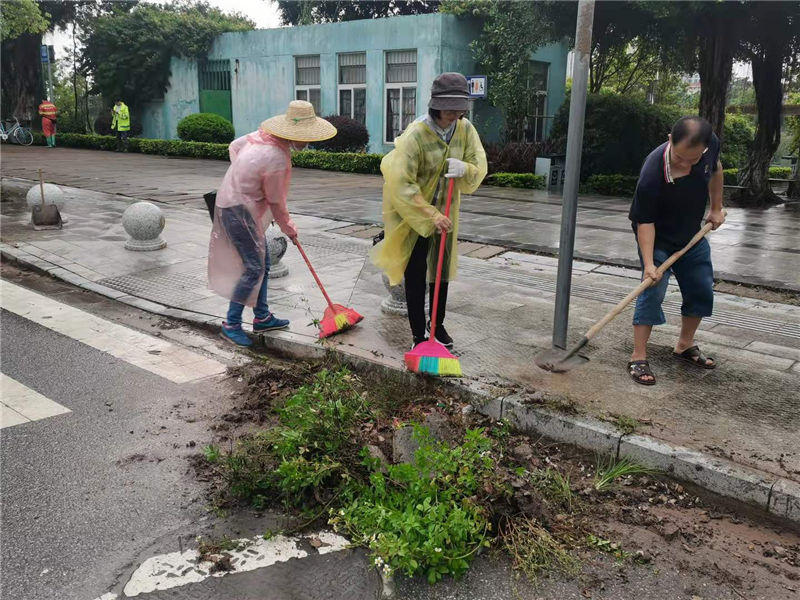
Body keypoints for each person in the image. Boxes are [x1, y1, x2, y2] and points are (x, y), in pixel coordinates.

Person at [371, 73, 488, 350]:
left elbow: (478, 163)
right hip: (413, 216)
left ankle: (437, 324)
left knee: (441, 271)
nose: (455, 115)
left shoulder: (465, 129)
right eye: (449, 109)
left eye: (459, 109)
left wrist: (465, 169)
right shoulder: (415, 135)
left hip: (447, 212)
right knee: (416, 272)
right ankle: (418, 335)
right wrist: (430, 215)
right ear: (435, 106)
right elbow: (402, 184)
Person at [208, 100, 336, 347]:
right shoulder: (276, 156)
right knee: (253, 268)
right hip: (238, 211)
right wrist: (288, 227)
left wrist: (242, 179)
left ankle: (262, 317)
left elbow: (234, 146)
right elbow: (276, 201)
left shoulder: (261, 136)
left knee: (263, 263)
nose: (307, 143)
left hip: (233, 203)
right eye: (306, 137)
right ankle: (231, 324)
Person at [627, 116, 725, 385]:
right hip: (657, 238)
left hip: (691, 236)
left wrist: (716, 208)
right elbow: (645, 223)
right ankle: (638, 356)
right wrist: (649, 264)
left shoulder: (710, 145)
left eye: (694, 159)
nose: (686, 164)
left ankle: (684, 345)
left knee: (701, 288)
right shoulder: (652, 173)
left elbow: (716, 169)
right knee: (652, 290)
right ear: (670, 139)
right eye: (680, 157)